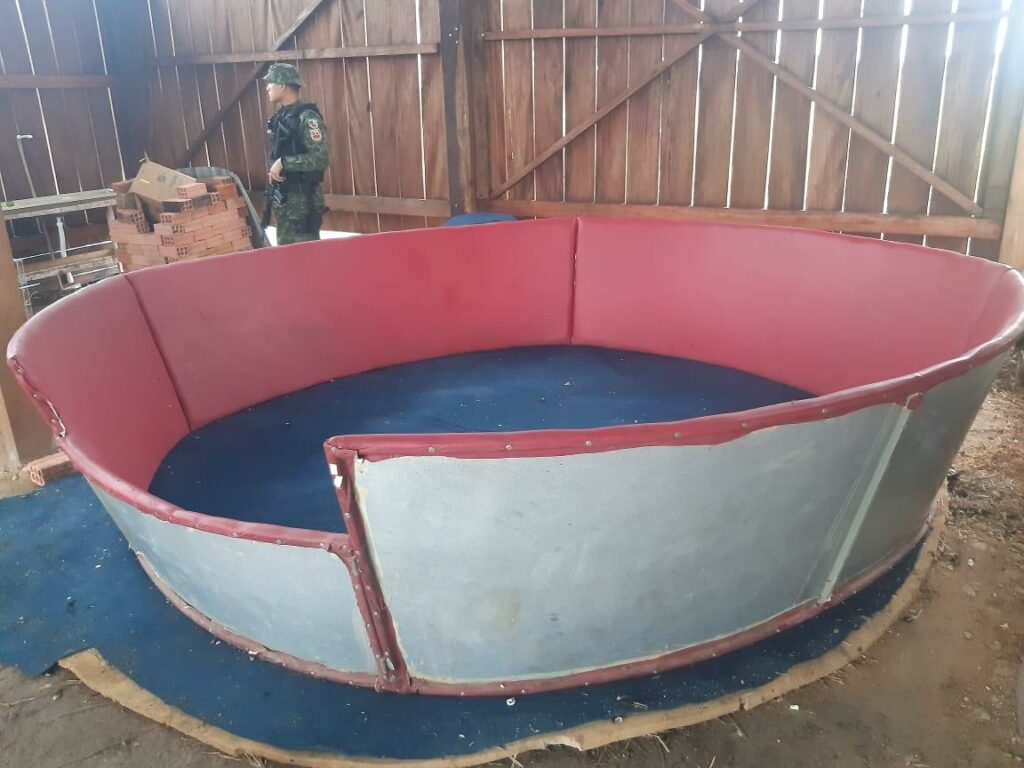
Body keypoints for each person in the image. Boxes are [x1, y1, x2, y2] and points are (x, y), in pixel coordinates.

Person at [262, 63, 329, 245]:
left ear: (282, 85)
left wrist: (284, 163)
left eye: (270, 82)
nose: (267, 87)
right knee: (287, 256)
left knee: (306, 258)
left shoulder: (307, 118)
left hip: (303, 206)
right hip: (285, 201)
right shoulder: (282, 116)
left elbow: (320, 158)